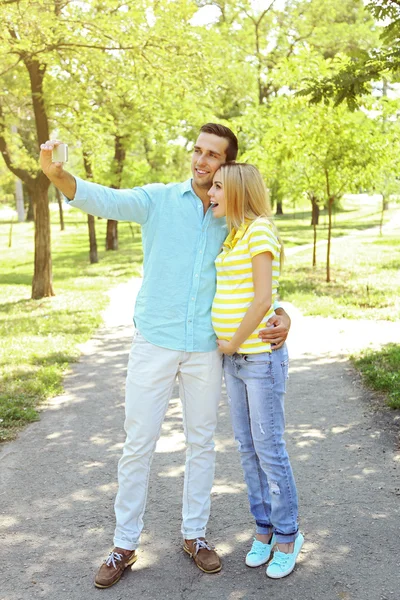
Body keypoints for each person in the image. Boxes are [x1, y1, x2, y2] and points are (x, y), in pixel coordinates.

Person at [39, 124, 291, 588]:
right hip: (154, 341)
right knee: (138, 443)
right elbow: (104, 199)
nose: (201, 161)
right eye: (197, 150)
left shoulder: (230, 212)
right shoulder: (158, 199)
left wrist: (282, 313)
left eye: (213, 155)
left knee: (201, 443)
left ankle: (194, 536)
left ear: (227, 164)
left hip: (205, 349)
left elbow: (259, 272)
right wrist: (58, 175)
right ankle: (123, 544)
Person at [208, 162, 303, 579]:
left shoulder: (260, 229)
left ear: (236, 191)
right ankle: (263, 529)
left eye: (216, 187)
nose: (209, 192)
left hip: (259, 359)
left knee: (269, 449)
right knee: (247, 449)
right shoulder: (232, 236)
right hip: (236, 362)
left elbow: (264, 298)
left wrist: (230, 342)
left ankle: (288, 535)